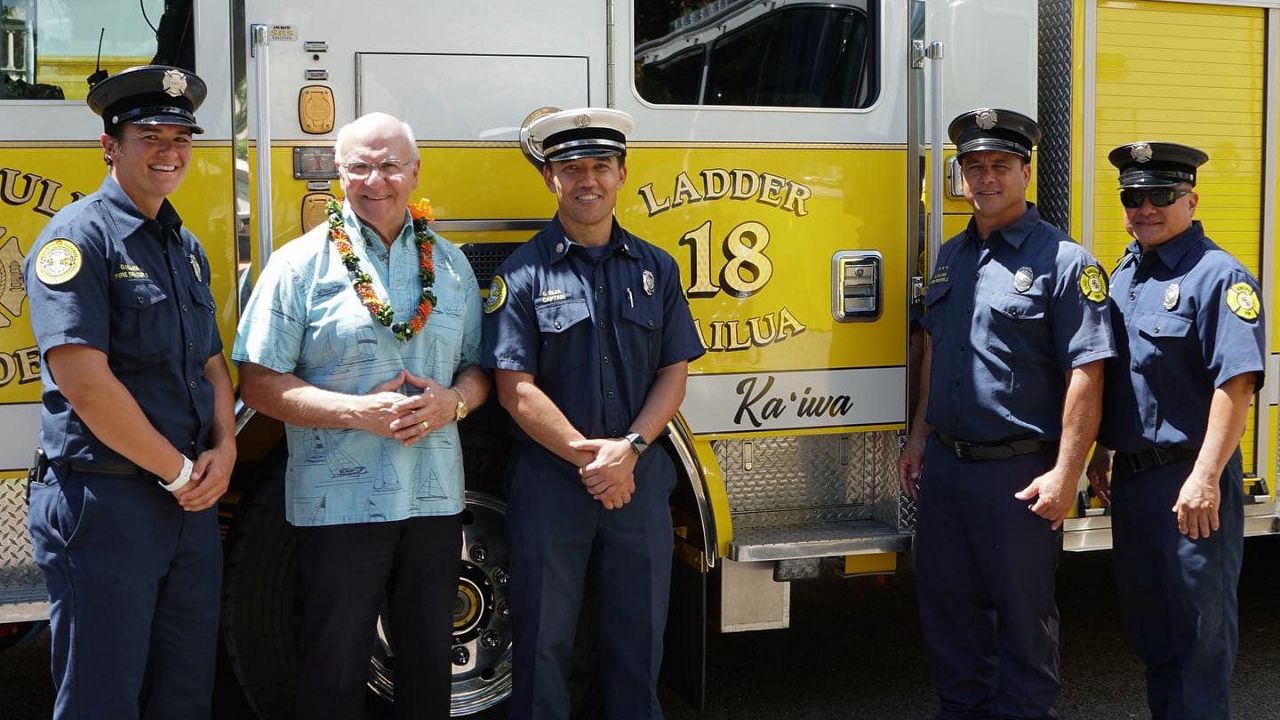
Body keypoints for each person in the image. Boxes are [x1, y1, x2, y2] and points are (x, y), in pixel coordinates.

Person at [233, 112, 488, 719]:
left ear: (416, 170)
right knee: (335, 664)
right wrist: (357, 413)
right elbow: (259, 384)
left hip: (433, 504)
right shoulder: (298, 266)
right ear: (337, 175)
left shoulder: (451, 267)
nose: (377, 180)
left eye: (391, 164)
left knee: (429, 664)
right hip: (338, 505)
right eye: (360, 167)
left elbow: (481, 370)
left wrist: (453, 402)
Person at [23, 65, 235, 719]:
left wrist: (224, 450)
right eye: (150, 135)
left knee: (185, 691)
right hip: (107, 501)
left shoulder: (185, 246)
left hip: (189, 506)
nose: (169, 152)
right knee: (100, 697)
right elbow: (86, 383)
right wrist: (177, 472)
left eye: (180, 136)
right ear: (109, 145)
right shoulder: (75, 240)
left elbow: (211, 365)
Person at [482, 107, 704, 720]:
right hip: (554, 483)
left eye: (600, 166)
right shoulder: (521, 275)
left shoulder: (657, 269)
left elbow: (673, 371)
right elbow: (513, 388)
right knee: (541, 647)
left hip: (637, 479)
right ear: (550, 179)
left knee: (640, 642)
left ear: (623, 173)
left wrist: (629, 449)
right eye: (571, 168)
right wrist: (592, 457)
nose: (588, 180)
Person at [898, 108, 1116, 720]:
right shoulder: (950, 256)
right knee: (947, 612)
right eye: (973, 166)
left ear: (1025, 172)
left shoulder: (1066, 262)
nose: (985, 178)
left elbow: (1087, 374)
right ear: (960, 175)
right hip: (948, 468)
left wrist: (1066, 474)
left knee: (1023, 622)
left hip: (1018, 475)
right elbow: (936, 349)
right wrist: (919, 437)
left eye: (999, 165)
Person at [1086, 142, 1265, 720]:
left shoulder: (1219, 276)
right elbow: (1124, 375)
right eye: (1132, 198)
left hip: (1191, 485)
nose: (1145, 209)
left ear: (1191, 198)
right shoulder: (1126, 273)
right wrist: (1102, 450)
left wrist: (1207, 476)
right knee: (1153, 637)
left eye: (1160, 196)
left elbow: (1235, 385)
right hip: (1136, 488)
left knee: (1197, 642)